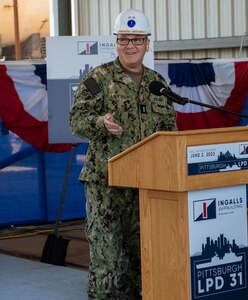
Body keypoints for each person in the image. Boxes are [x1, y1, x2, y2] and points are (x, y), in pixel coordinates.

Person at [69, 8, 177, 300]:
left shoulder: (159, 84)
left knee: (139, 255)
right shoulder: (99, 79)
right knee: (106, 257)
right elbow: (76, 120)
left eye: (137, 40)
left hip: (144, 184)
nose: (131, 46)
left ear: (148, 43)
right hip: (106, 182)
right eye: (124, 39)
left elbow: (170, 131)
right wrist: (100, 123)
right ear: (116, 43)